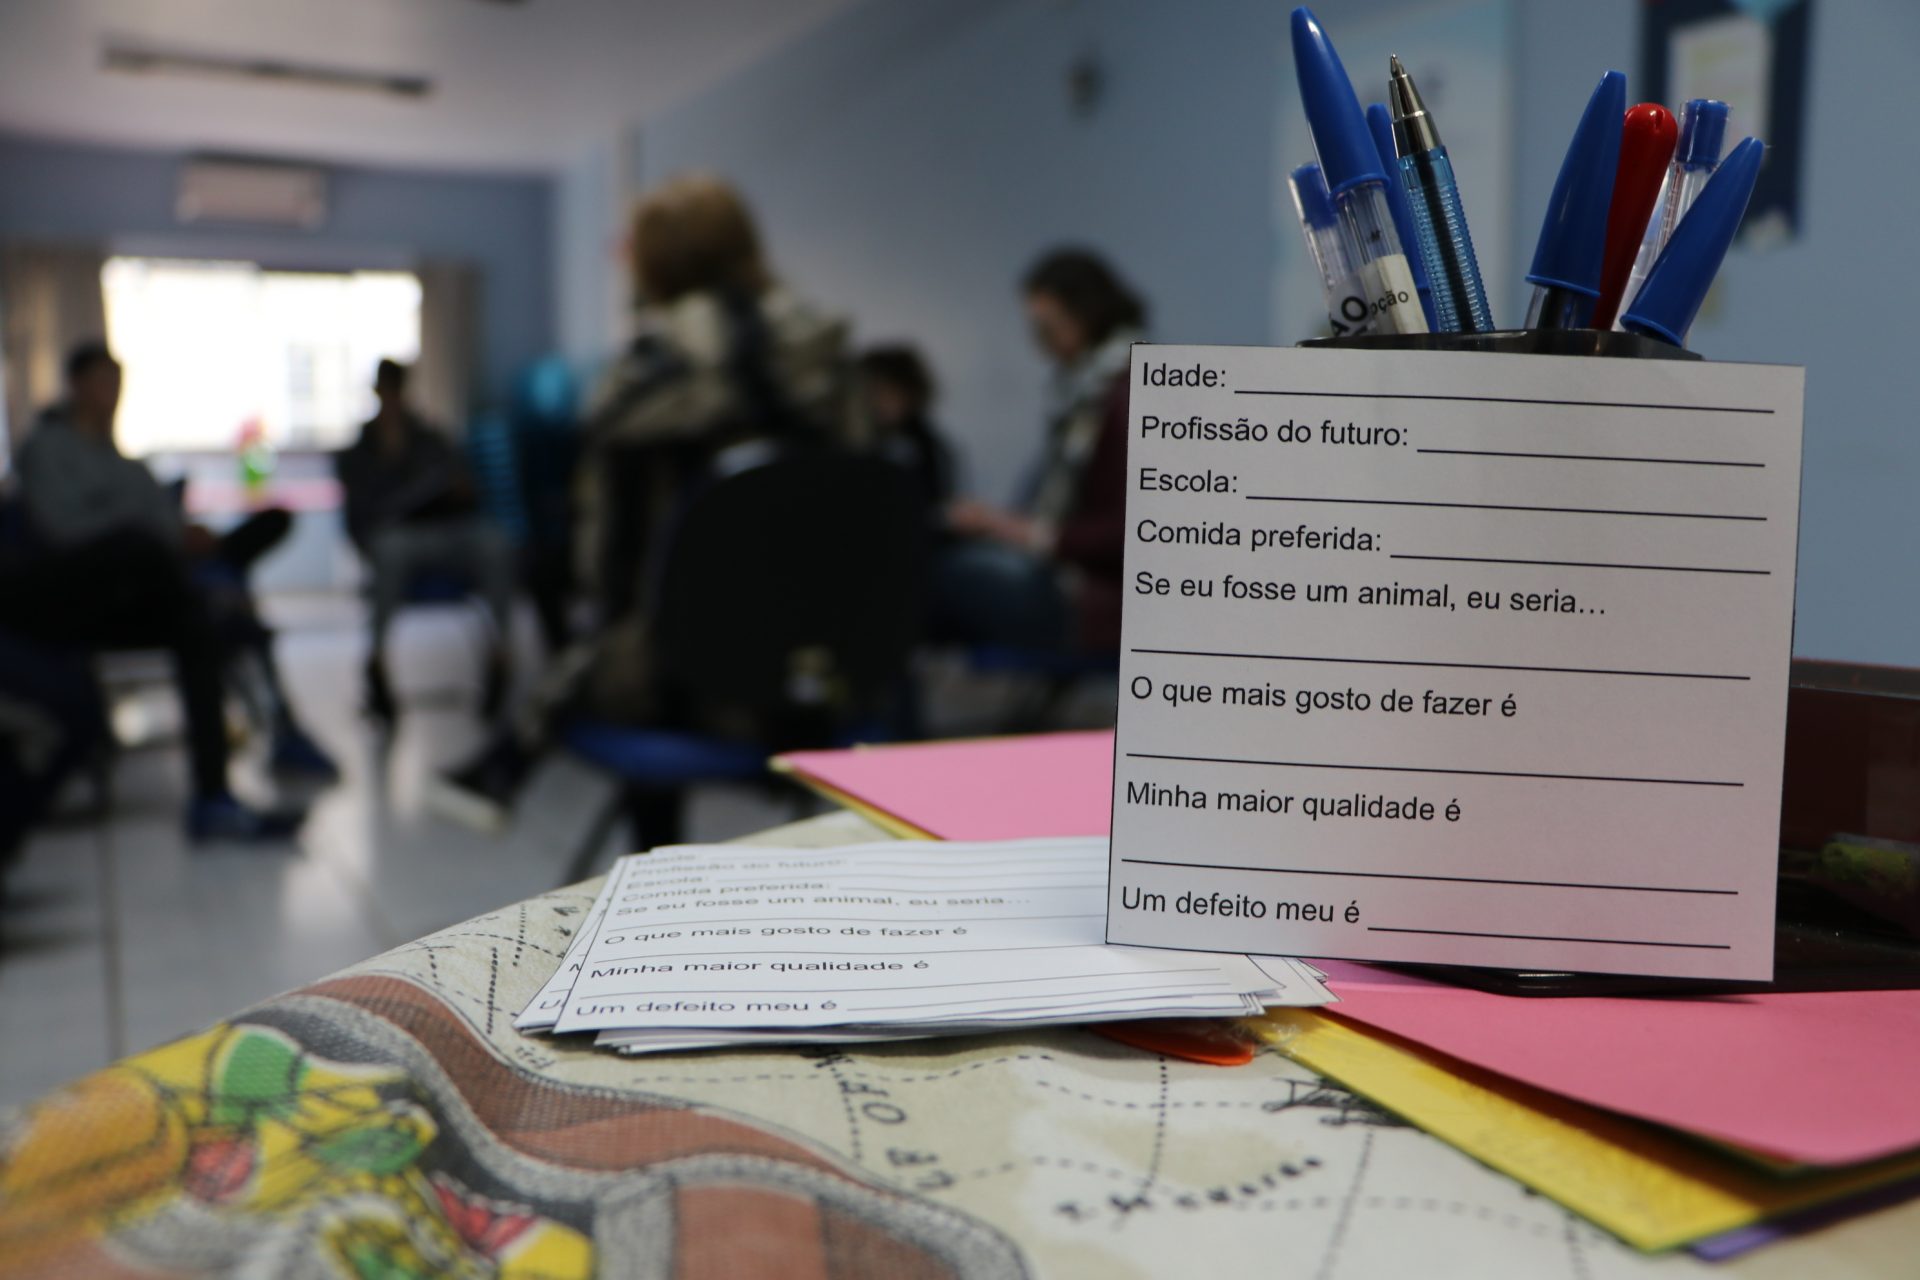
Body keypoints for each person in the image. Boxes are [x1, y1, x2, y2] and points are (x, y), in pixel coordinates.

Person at [428, 174, 858, 832]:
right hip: (833, 682)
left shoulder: (640, 383)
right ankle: (507, 764)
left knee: (618, 638)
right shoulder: (831, 359)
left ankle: (602, 825)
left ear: (653, 265)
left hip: (689, 688)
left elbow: (602, 571)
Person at [13, 342, 337, 788]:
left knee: (267, 527)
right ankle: (260, 723)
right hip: (102, 587)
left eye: (118, 383)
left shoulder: (124, 461)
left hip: (165, 567)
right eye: (103, 382)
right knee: (201, 607)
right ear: (77, 386)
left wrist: (188, 535)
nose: (113, 393)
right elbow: (67, 532)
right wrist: (156, 532)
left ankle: (273, 724)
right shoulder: (46, 450)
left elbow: (162, 517)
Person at [934, 248, 1139, 654]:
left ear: (1085, 313)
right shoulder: (1084, 393)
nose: (1039, 341)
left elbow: (1128, 530)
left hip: (1091, 598)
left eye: (1047, 325)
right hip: (1073, 583)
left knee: (936, 576)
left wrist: (1016, 530)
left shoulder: (1125, 394)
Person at [335, 359, 517, 721]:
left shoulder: (429, 438)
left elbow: (462, 486)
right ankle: (377, 664)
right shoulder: (360, 451)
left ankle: (501, 656)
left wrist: (458, 491)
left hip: (446, 532)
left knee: (494, 543)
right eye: (387, 390)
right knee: (389, 549)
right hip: (398, 541)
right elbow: (360, 517)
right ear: (378, 392)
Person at [859, 345, 956, 515]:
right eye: (876, 392)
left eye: (892, 392)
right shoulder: (851, 444)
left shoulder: (929, 449)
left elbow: (939, 503)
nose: (882, 401)